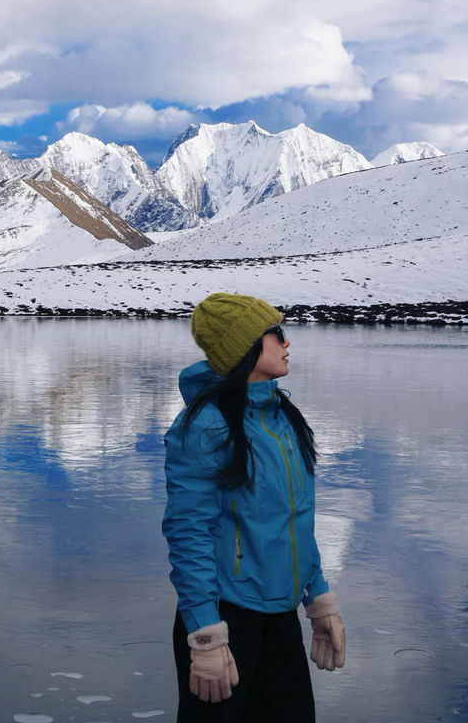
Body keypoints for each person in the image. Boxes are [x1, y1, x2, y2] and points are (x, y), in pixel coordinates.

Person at [162, 292, 345, 722]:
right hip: (226, 620)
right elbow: (188, 533)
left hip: (280, 618)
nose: (286, 343)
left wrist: (318, 600)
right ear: (245, 347)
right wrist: (205, 633)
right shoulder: (206, 425)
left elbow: (295, 521)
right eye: (276, 333)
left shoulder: (282, 416)